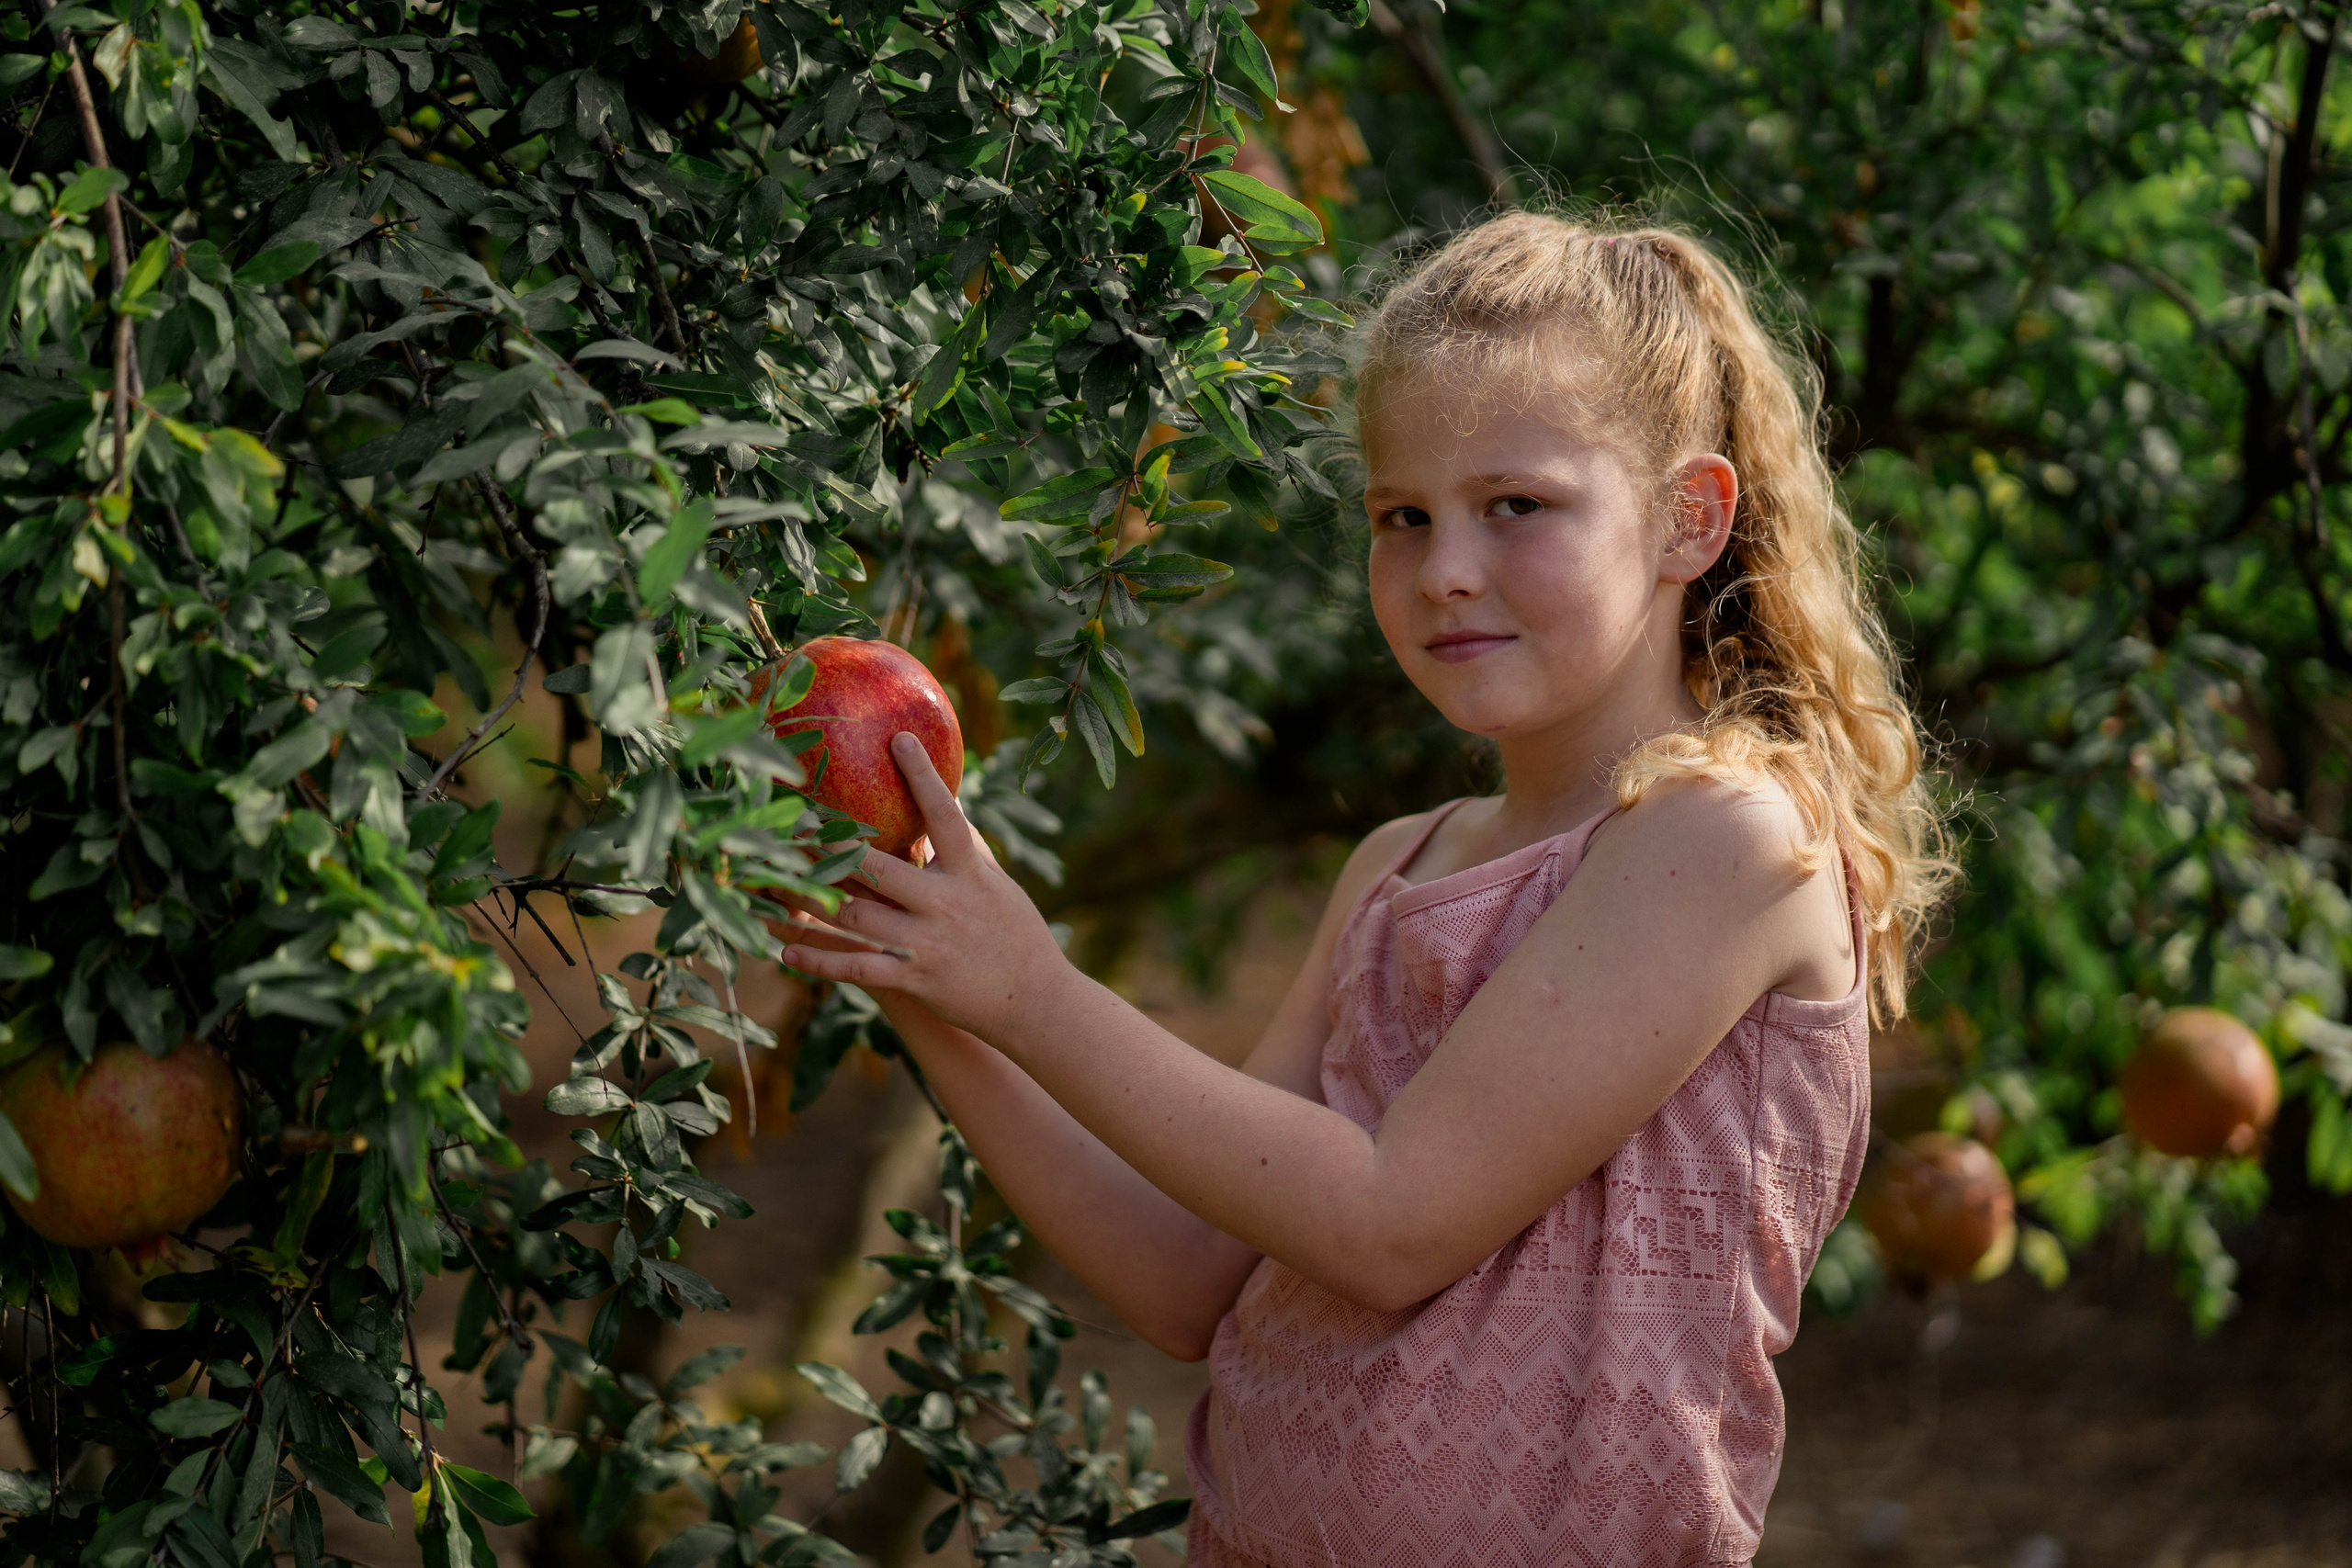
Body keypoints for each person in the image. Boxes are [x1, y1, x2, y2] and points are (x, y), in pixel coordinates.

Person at [779, 212, 1953, 1568]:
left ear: (1690, 516)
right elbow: (1184, 1278)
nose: (1446, 565)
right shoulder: (1396, 867)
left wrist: (1033, 992)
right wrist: (928, 980)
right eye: (1404, 516)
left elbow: (1392, 1221)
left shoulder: (1727, 842)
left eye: (1517, 504)